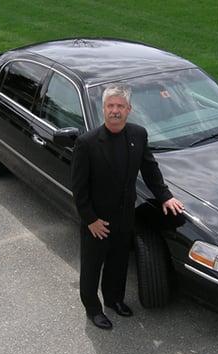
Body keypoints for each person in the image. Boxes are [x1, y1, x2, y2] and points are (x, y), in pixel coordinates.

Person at [71, 84, 184, 330]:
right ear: (103, 109)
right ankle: (93, 308)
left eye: (120, 106)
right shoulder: (87, 143)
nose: (115, 111)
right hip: (97, 222)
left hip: (124, 216)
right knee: (92, 266)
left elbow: (150, 169)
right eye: (110, 106)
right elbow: (79, 189)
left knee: (119, 262)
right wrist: (91, 220)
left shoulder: (138, 135)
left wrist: (165, 196)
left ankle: (114, 300)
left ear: (129, 110)